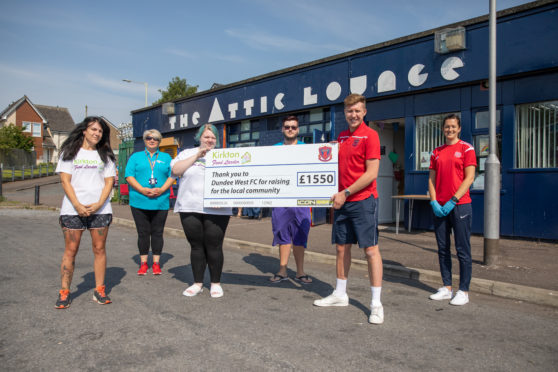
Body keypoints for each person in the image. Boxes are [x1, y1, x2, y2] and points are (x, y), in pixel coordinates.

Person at [313, 93, 384, 325]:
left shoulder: (371, 135)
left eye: (357, 111)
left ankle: (376, 303)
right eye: (349, 111)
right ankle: (340, 293)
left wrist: (345, 193)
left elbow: (371, 174)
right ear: (345, 114)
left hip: (362, 201)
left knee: (371, 250)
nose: (353, 115)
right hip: (342, 201)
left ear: (364, 112)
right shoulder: (341, 137)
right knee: (341, 249)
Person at [54, 116, 116, 309]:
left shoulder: (105, 155)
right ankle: (64, 292)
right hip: (73, 210)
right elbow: (65, 181)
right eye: (93, 129)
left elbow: (109, 182)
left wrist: (98, 204)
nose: (97, 133)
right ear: (84, 131)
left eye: (100, 131)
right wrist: (77, 205)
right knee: (71, 251)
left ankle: (99, 290)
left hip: (100, 210)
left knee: (99, 249)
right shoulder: (70, 152)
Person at [171, 124, 232, 298]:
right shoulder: (186, 153)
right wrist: (198, 155)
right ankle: (197, 282)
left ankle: (215, 283)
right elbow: (176, 170)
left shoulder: (225, 155)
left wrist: (226, 198)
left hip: (217, 209)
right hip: (190, 206)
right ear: (200, 138)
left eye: (213, 137)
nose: (210, 140)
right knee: (196, 246)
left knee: (214, 245)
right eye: (206, 137)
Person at [428, 114, 477, 306]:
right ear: (443, 129)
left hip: (460, 205)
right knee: (442, 248)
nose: (449, 130)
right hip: (439, 206)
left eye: (453, 127)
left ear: (459, 129)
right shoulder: (436, 152)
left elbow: (469, 178)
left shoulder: (467, 148)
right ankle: (447, 287)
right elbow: (431, 179)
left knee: (462, 249)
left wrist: (453, 200)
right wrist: (434, 202)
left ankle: (463, 290)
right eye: (446, 127)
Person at [269, 116, 312, 284]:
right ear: (282, 129)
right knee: (283, 235)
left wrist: (328, 149)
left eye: (293, 127)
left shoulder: (308, 149)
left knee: (301, 235)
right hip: (281, 199)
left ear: (298, 130)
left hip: (301, 200)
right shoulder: (274, 149)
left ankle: (300, 272)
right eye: (287, 127)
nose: (290, 129)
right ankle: (282, 270)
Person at [125, 129, 175, 275]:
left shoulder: (166, 157)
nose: (152, 140)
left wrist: (161, 189)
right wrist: (142, 190)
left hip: (160, 201)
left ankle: (156, 264)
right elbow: (129, 176)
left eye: (155, 138)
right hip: (139, 201)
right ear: (144, 140)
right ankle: (143, 263)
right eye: (148, 138)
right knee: (143, 233)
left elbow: (172, 175)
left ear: (159, 141)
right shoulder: (136, 157)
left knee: (158, 233)